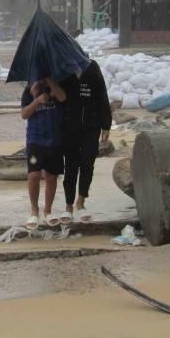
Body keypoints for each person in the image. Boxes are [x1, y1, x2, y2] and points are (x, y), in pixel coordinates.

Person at [59, 60, 111, 224]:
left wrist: (106, 125)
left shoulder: (92, 67)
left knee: (87, 164)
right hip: (69, 126)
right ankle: (68, 205)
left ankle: (80, 202)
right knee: (70, 166)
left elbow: (102, 94)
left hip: (91, 126)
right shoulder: (63, 68)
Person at [20, 77, 67, 229]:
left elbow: (62, 98)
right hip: (35, 138)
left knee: (52, 177)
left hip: (55, 138)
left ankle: (48, 211)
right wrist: (38, 100)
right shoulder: (29, 89)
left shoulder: (58, 85)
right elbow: (24, 114)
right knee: (34, 175)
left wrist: (49, 83)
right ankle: (34, 210)